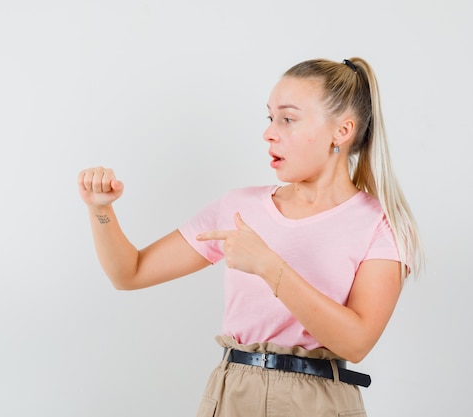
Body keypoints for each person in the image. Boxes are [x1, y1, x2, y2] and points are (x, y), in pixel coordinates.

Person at [77, 57, 423, 417]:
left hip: (319, 404)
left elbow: (356, 342)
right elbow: (128, 273)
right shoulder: (239, 207)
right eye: (270, 118)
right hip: (232, 395)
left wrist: (269, 266)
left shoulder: (382, 225)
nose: (269, 133)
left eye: (288, 119)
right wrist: (100, 210)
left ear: (342, 131)